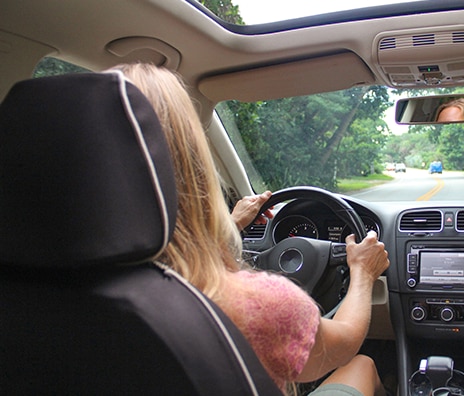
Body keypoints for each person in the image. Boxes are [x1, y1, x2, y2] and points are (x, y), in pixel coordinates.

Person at [109, 63, 390, 396]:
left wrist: (232, 223)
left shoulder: (46, 297)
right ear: (194, 167)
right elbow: (342, 343)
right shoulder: (258, 305)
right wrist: (361, 272)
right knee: (362, 365)